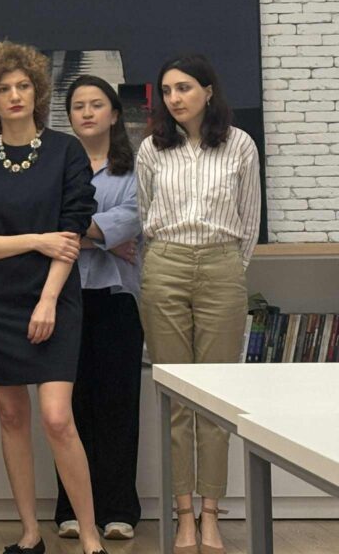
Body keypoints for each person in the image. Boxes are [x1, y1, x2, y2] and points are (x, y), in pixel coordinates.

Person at [0, 41, 106, 554]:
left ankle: (90, 535)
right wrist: (36, 239)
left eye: (23, 86)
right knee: (12, 416)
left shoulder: (66, 152)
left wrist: (48, 299)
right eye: (3, 89)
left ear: (37, 92)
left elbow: (71, 233)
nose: (14, 95)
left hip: (53, 296)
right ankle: (30, 533)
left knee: (57, 417)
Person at [136, 54, 260, 554]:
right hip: (165, 263)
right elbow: (144, 215)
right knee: (176, 397)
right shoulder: (152, 148)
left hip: (221, 265)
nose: (175, 98)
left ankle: (211, 514)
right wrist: (164, 260)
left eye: (184, 88)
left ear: (208, 91)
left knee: (215, 398)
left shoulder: (239, 144)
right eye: (167, 90)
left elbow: (249, 219)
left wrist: (228, 267)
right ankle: (183, 514)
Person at [55, 75, 144, 542]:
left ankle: (119, 510)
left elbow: (132, 221)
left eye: (96, 104)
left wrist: (78, 233)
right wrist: (104, 240)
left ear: (114, 114)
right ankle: (71, 511)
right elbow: (45, 222)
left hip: (116, 299)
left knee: (117, 405)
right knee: (67, 409)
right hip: (63, 297)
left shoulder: (136, 169)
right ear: (69, 117)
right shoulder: (58, 167)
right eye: (78, 106)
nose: (87, 112)